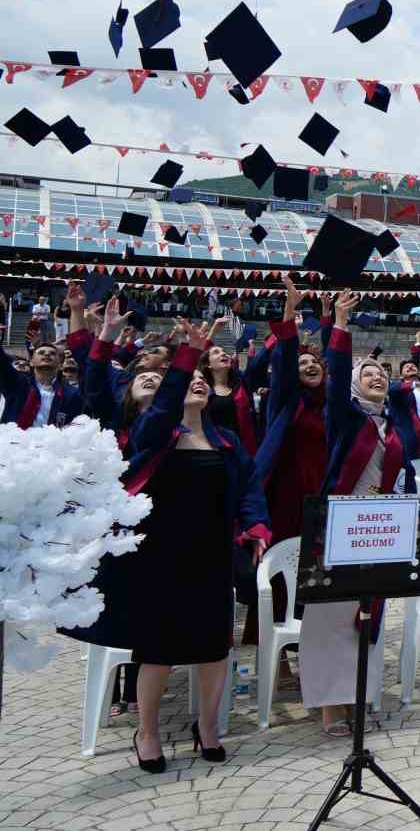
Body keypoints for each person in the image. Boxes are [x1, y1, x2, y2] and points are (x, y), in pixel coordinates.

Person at [122, 316, 270, 771]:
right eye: (192, 380)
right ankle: (146, 732)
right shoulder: (156, 433)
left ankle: (207, 726)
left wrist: (257, 527)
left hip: (210, 555)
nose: (200, 385)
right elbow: (162, 407)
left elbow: (249, 489)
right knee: (160, 650)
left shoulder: (225, 440)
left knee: (213, 646)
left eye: (205, 382)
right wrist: (189, 352)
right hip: (161, 555)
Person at [301, 292, 417, 737]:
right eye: (367, 373)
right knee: (332, 616)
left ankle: (361, 697)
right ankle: (330, 707)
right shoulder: (345, 419)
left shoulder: (393, 424)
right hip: (340, 525)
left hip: (382, 529)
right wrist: (342, 324)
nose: (377, 377)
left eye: (381, 373)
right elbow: (331, 387)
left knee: (368, 617)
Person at [245, 274, 328, 654]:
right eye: (302, 362)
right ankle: (271, 651)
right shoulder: (285, 403)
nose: (309, 366)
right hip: (285, 498)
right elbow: (283, 358)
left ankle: (307, 647)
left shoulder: (336, 409)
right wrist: (290, 313)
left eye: (315, 362)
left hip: (322, 501)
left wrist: (331, 324)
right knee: (282, 575)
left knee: (315, 576)